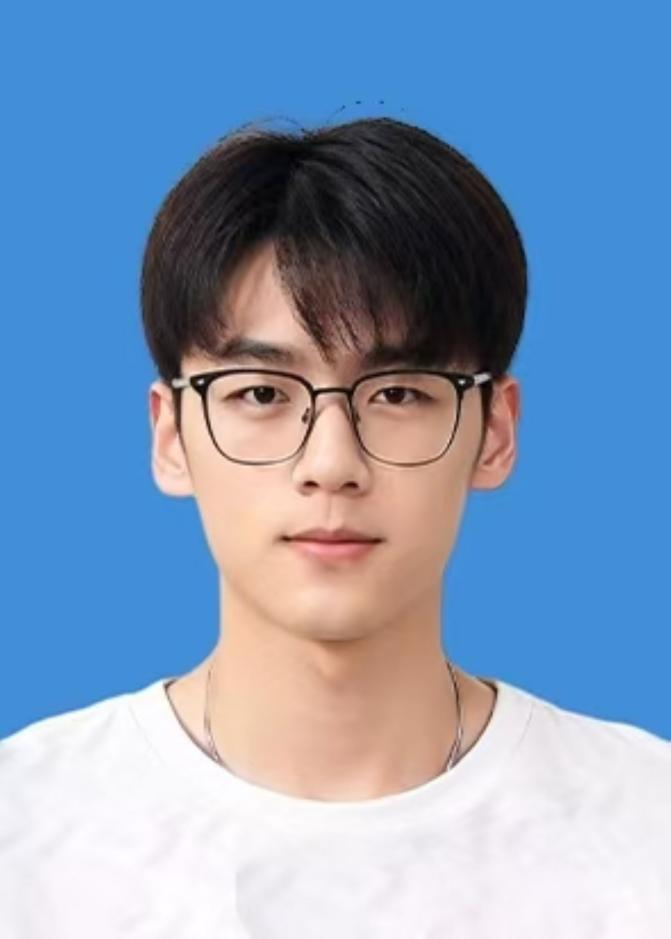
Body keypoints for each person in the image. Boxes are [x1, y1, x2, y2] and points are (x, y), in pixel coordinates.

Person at [1, 116, 669, 937]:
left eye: (396, 393)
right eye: (259, 393)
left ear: (494, 432)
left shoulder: (647, 828)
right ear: (170, 436)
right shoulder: (23, 833)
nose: (330, 463)